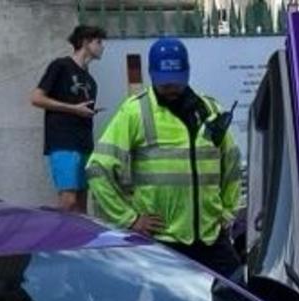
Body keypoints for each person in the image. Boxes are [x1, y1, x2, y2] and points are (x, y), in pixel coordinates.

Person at [86, 38, 242, 281]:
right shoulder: (136, 111)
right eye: (164, 82)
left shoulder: (210, 110)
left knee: (239, 300)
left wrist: (228, 212)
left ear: (187, 73)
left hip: (211, 236)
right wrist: (130, 219)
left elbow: (231, 162)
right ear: (152, 75)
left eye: (176, 81)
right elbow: (98, 169)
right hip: (165, 240)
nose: (171, 88)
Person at [31, 25, 106, 212]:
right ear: (85, 42)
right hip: (63, 143)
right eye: (98, 42)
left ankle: (82, 241)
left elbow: (80, 109)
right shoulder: (60, 66)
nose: (102, 47)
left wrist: (89, 112)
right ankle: (63, 240)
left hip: (84, 144)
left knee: (82, 204)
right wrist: (73, 109)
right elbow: (36, 98)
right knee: (68, 200)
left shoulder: (91, 81)